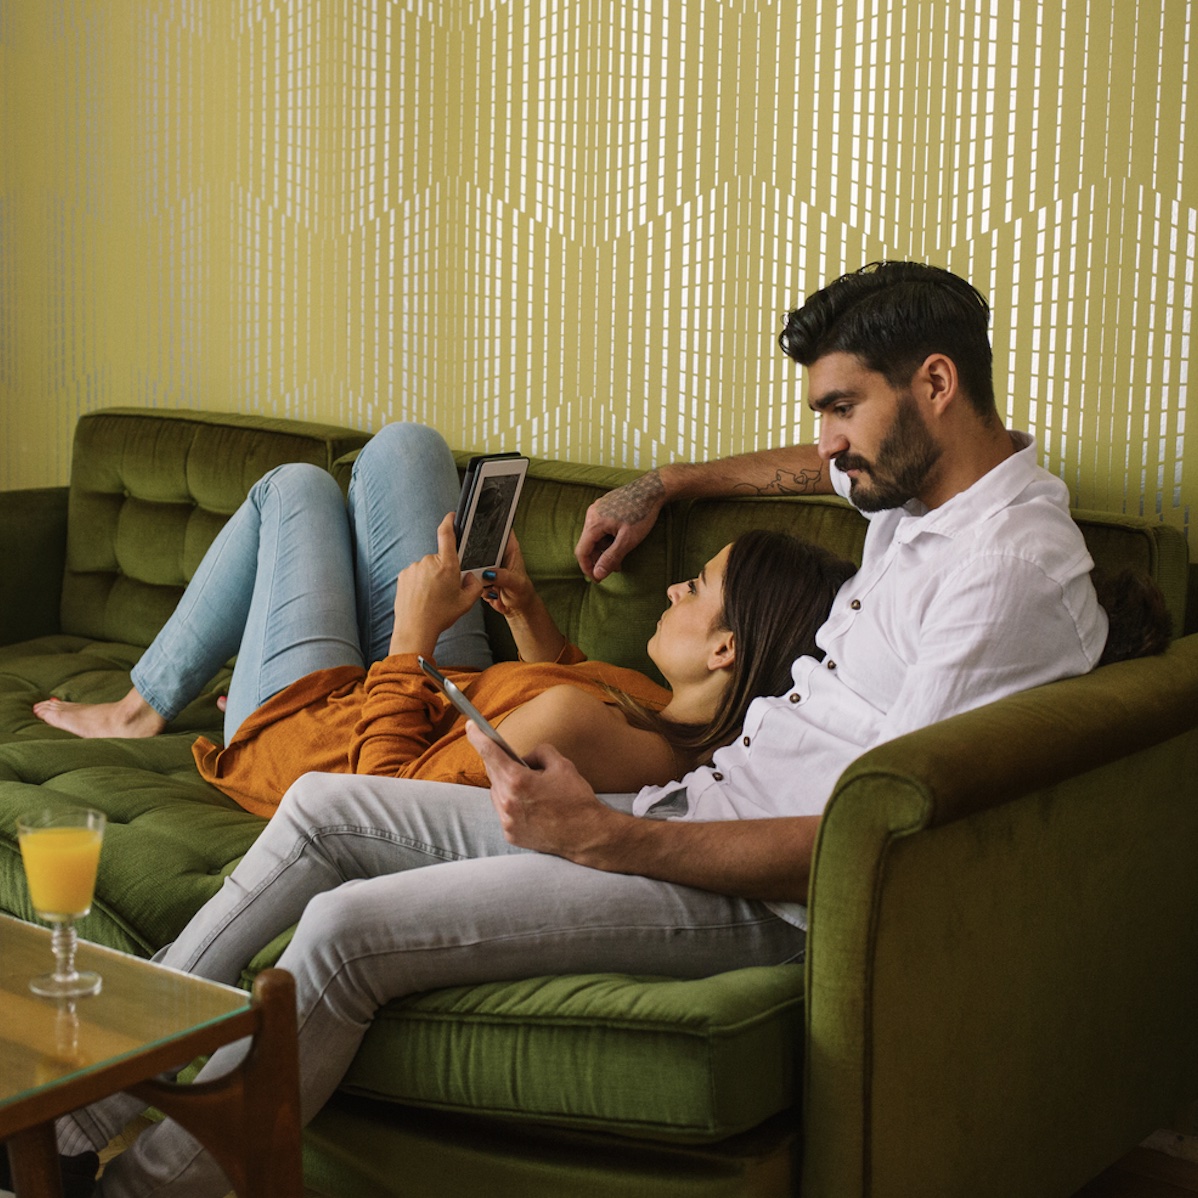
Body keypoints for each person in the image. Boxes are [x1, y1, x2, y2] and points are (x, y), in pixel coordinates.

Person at [55, 261, 1112, 1197]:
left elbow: (876, 842)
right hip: (690, 814)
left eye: (843, 409)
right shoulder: (916, 488)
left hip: (764, 898)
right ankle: (68, 1118)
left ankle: (137, 1192)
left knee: (347, 932)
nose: (830, 447)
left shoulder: (1005, 573)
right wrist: (670, 485)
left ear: (935, 383)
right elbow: (810, 466)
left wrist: (610, 837)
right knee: (324, 805)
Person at [32, 423, 855, 808]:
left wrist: (411, 636)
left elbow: (379, 799)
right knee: (404, 449)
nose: (674, 588)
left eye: (696, 590)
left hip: (316, 740)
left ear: (725, 650)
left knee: (295, 488)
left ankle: (140, 709)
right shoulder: (657, 713)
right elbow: (571, 677)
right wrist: (525, 608)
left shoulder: (610, 732)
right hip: (435, 688)